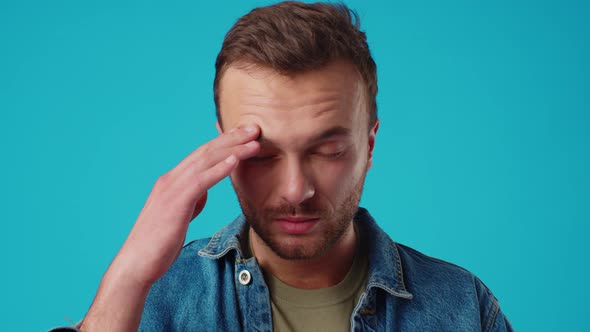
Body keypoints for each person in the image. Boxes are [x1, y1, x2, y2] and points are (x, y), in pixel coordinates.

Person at [50, 2, 513, 331]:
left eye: (327, 151)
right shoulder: (156, 301)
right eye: (263, 155)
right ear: (222, 149)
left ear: (369, 146)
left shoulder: (461, 307)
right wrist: (128, 276)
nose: (295, 190)